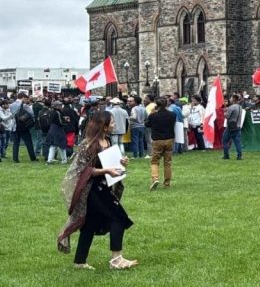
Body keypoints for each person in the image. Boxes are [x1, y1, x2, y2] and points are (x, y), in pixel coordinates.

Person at [56, 110, 137, 270]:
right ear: (104, 126)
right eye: (112, 122)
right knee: (119, 219)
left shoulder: (107, 141)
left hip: (104, 187)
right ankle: (116, 260)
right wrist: (106, 171)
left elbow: (107, 162)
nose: (114, 124)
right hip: (91, 190)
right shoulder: (88, 144)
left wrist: (121, 162)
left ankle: (79, 262)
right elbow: (82, 170)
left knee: (90, 225)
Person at [145, 97, 176, 190]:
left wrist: (152, 112)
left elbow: (147, 124)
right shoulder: (172, 115)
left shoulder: (153, 115)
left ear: (156, 105)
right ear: (166, 104)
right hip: (169, 139)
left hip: (157, 140)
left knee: (154, 161)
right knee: (168, 162)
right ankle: (167, 183)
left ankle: (155, 178)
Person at [11, 93, 37, 162]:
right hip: (23, 126)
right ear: (22, 98)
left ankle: (15, 159)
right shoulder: (25, 106)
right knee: (29, 142)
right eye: (25, 98)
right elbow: (32, 113)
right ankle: (33, 158)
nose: (26, 100)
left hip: (15, 126)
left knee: (16, 143)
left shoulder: (11, 105)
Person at [223, 94, 244, 160]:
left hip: (230, 127)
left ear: (234, 99)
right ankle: (239, 156)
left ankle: (226, 155)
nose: (230, 99)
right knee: (237, 142)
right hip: (238, 126)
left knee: (225, 140)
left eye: (231, 98)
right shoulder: (240, 107)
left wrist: (225, 112)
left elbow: (227, 116)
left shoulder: (231, 107)